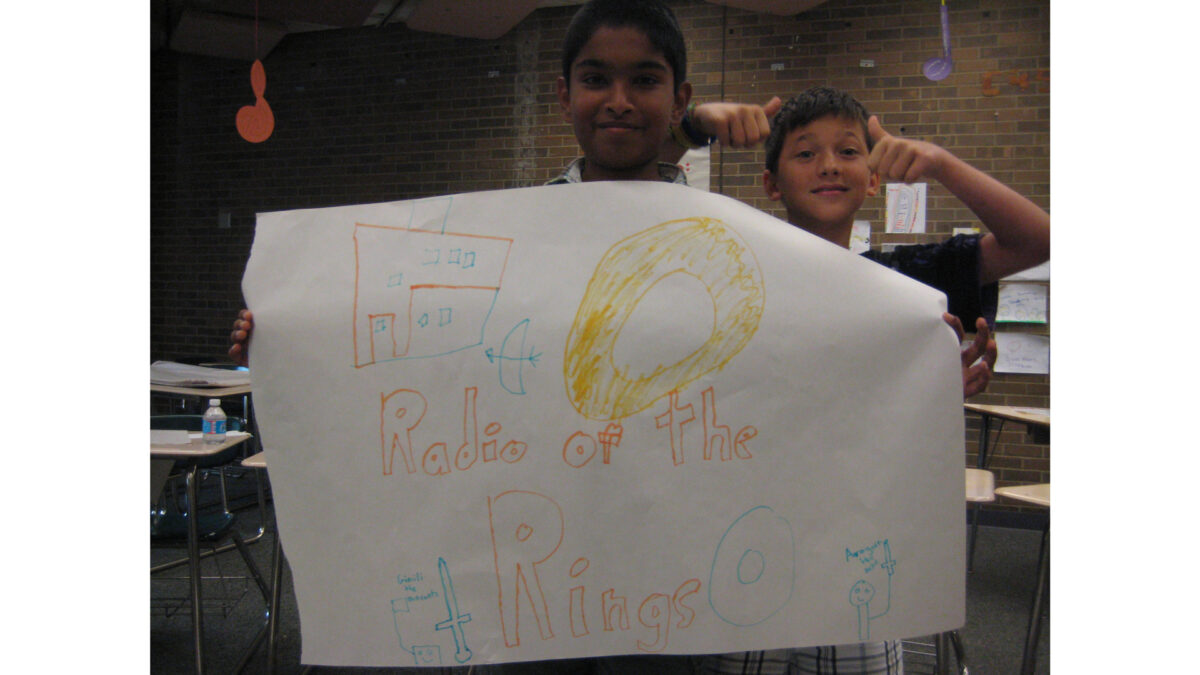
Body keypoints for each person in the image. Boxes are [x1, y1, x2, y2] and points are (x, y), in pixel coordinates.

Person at [693, 86, 1050, 675]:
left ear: (874, 178)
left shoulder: (901, 282)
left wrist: (938, 163)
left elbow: (1036, 239)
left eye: (849, 151)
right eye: (805, 153)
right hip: (746, 552)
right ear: (771, 184)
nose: (830, 164)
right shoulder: (737, 287)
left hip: (857, 558)